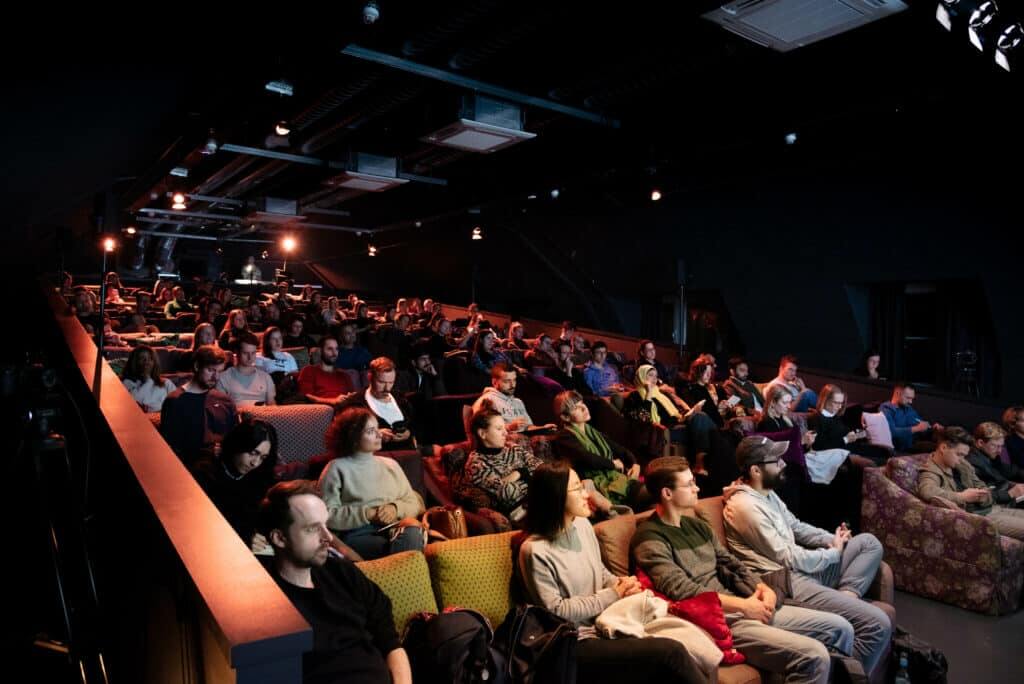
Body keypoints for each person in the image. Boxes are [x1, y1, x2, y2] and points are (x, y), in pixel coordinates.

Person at [633, 456, 852, 684]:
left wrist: (762, 587)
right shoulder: (649, 538)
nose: (697, 487)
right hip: (717, 620)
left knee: (841, 628)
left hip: (743, 602)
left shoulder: (695, 525)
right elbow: (681, 589)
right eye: (689, 484)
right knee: (813, 655)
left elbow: (730, 562)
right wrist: (744, 607)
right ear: (667, 494)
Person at [518, 460, 710, 684]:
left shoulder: (581, 525)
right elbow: (556, 611)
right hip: (574, 641)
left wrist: (620, 583)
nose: (586, 494)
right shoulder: (534, 550)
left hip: (606, 622)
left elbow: (598, 571)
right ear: (556, 495)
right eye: (578, 488)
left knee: (683, 637)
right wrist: (613, 594)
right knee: (671, 651)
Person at [723, 437, 892, 675]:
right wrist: (832, 554)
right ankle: (847, 676)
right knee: (878, 623)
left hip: (803, 568)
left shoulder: (766, 494)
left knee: (868, 543)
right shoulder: (745, 506)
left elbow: (797, 526)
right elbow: (788, 557)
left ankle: (847, 596)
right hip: (786, 579)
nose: (783, 464)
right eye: (776, 460)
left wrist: (833, 539)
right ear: (755, 470)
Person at [258, 480, 413, 684]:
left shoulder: (342, 572)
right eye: (313, 529)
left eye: (326, 524)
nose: (328, 537)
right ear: (279, 538)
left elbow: (391, 642)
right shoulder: (266, 602)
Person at [317, 408, 425, 559]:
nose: (379, 434)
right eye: (370, 431)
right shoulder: (336, 468)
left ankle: (398, 575)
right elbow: (325, 515)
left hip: (395, 527)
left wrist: (395, 508)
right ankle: (403, 572)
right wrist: (367, 514)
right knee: (400, 548)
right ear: (353, 438)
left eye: (377, 428)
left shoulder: (390, 464)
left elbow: (413, 502)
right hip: (358, 532)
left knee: (412, 533)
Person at [917, 426, 1024, 541]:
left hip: (991, 508)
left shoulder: (962, 464)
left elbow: (980, 484)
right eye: (959, 454)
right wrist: (963, 496)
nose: (962, 459)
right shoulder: (931, 470)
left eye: (964, 455)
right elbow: (927, 491)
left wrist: (982, 495)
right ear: (943, 447)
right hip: (979, 518)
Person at [551, 390, 647, 511]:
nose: (584, 408)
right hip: (596, 485)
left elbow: (618, 448)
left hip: (613, 478)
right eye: (576, 407)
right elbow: (587, 458)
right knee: (652, 494)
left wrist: (634, 463)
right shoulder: (564, 437)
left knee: (655, 493)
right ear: (565, 416)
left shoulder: (592, 431)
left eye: (582, 403)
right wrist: (613, 464)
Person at [191, 417, 277, 549]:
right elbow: (203, 523)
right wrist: (243, 535)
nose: (255, 463)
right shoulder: (205, 472)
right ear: (239, 444)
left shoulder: (260, 472)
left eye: (263, 457)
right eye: (253, 453)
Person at [160, 345, 237, 465]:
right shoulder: (175, 401)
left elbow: (235, 439)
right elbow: (172, 448)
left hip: (224, 465)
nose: (216, 377)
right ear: (197, 366)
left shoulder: (225, 401)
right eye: (211, 370)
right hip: (191, 468)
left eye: (219, 371)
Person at [337, 357, 415, 451]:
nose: (387, 388)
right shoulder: (356, 402)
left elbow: (415, 424)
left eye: (391, 382)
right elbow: (346, 435)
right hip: (376, 456)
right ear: (370, 377)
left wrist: (409, 433)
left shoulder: (400, 398)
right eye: (381, 382)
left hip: (407, 452)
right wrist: (374, 434)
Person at [807, 385, 890, 466]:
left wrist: (858, 435)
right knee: (872, 462)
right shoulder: (816, 418)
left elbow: (844, 433)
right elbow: (819, 445)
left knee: (885, 452)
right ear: (825, 400)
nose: (839, 407)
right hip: (838, 453)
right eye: (836, 403)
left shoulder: (835, 417)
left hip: (852, 448)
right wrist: (846, 439)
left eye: (841, 403)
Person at [471, 363, 555, 434]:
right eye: (507, 381)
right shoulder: (487, 400)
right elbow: (485, 432)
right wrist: (509, 428)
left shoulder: (518, 402)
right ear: (494, 382)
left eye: (514, 380)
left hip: (524, 442)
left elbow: (528, 428)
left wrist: (543, 428)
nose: (513, 385)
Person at [965, 422, 1024, 508]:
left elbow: (1012, 470)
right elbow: (978, 495)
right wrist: (1010, 493)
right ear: (980, 443)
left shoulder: (991, 457)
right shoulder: (971, 463)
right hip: (997, 504)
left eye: (1001, 446)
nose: (999, 451)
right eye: (995, 446)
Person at [216, 332, 276, 407]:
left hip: (263, 416)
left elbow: (271, 405)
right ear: (237, 352)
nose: (250, 357)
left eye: (253, 353)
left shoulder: (265, 377)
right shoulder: (224, 378)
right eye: (245, 353)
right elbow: (221, 408)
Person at [880, 383, 942, 452]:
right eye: (908, 398)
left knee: (942, 446)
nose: (911, 402)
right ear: (897, 393)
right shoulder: (886, 409)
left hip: (913, 444)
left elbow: (921, 426)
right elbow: (892, 432)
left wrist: (933, 428)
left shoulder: (909, 409)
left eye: (912, 399)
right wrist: (917, 428)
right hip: (898, 449)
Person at [297, 336, 356, 408]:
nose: (334, 353)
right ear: (320, 351)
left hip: (345, 410)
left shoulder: (344, 375)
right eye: (330, 349)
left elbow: (353, 396)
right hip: (321, 411)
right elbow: (307, 396)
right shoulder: (309, 370)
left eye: (336, 349)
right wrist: (333, 401)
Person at [120, 345, 178, 413]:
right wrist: (147, 378)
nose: (146, 362)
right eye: (142, 358)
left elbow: (177, 405)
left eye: (150, 358)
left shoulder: (166, 383)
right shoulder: (127, 383)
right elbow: (136, 402)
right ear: (134, 362)